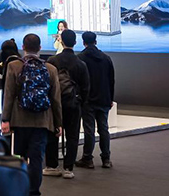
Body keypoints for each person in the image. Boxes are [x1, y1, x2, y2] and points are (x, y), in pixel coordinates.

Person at [1, 34, 62, 196]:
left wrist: (5, 119)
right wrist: (58, 123)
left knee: (19, 156)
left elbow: (9, 95)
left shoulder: (14, 66)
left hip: (19, 120)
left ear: (23, 47)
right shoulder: (50, 69)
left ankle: (19, 188)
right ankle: (33, 191)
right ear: (40, 48)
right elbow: (56, 99)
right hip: (42, 121)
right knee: (36, 159)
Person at [44, 29, 90, 179]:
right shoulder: (80, 64)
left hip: (54, 103)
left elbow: (46, 83)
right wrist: (80, 102)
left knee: (52, 134)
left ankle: (52, 165)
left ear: (61, 41)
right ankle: (68, 168)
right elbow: (86, 88)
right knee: (72, 136)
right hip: (73, 103)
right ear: (75, 42)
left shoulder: (52, 61)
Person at [76, 31, 116, 169]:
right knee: (104, 129)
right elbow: (111, 80)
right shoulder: (106, 58)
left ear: (83, 42)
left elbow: (78, 81)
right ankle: (106, 158)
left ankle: (87, 158)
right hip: (104, 98)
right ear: (96, 41)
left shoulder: (80, 58)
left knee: (89, 130)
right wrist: (110, 98)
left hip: (88, 100)